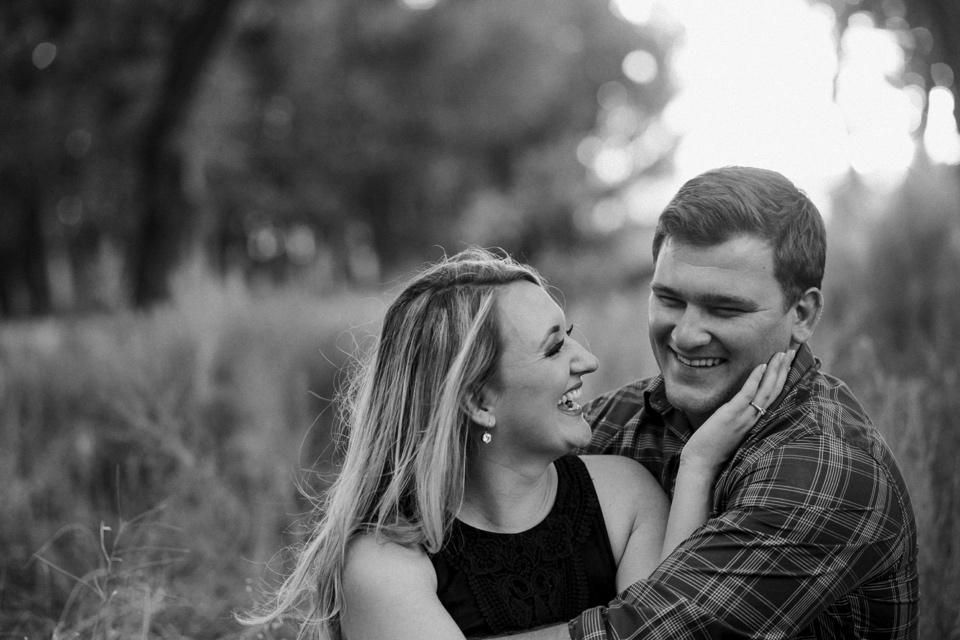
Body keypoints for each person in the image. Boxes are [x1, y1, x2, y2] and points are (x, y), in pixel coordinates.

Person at [241, 247, 793, 639]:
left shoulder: (624, 496)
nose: (588, 360)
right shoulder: (385, 565)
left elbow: (666, 632)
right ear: (480, 401)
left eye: (569, 334)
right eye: (555, 349)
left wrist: (696, 464)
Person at [500, 166, 920, 640]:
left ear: (802, 314)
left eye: (724, 309)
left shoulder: (826, 464)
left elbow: (643, 634)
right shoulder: (620, 419)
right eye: (670, 299)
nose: (685, 335)